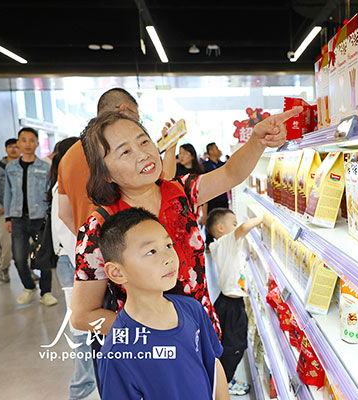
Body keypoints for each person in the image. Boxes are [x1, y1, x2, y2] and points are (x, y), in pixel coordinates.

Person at [70, 107, 299, 338]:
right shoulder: (99, 228)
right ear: (105, 173)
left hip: (203, 335)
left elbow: (230, 174)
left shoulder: (182, 192)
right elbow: (82, 315)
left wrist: (257, 141)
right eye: (125, 152)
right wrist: (146, 333)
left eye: (144, 142)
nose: (143, 154)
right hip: (153, 350)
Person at [96, 207, 229, 400]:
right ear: (117, 272)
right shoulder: (118, 353)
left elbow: (214, 365)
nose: (169, 258)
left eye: (168, 245)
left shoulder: (192, 309)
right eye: (151, 251)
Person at [57, 87, 177, 235]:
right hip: (135, 238)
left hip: (96, 241)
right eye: (137, 117)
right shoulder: (110, 152)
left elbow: (64, 213)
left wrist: (88, 239)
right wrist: (171, 147)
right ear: (123, 110)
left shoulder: (67, 157)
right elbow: (165, 183)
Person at [49, 137, 97, 399]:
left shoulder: (65, 184)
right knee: (81, 330)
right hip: (73, 261)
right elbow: (66, 232)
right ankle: (81, 387)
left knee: (85, 328)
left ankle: (86, 383)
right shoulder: (64, 186)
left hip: (74, 261)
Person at [206, 208, 263, 396]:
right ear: (220, 228)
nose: (237, 226)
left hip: (226, 302)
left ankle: (222, 376)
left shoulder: (221, 246)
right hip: (231, 306)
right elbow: (244, 228)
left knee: (227, 344)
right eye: (233, 223)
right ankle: (226, 380)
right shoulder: (226, 242)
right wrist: (264, 218)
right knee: (235, 346)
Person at [4, 127, 57, 306]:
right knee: (19, 259)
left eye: (31, 140)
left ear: (37, 143)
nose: (27, 144)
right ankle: (29, 287)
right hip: (18, 218)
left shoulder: (45, 167)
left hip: (40, 218)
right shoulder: (11, 167)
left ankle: (46, 292)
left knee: (43, 256)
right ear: (18, 143)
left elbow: (50, 193)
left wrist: (50, 216)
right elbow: (8, 193)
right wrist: (8, 217)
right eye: (24, 140)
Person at [0, 138, 20, 282]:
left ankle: (28, 271)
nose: (14, 149)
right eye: (11, 147)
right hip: (5, 212)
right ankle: (4, 268)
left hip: (23, 212)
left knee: (27, 244)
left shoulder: (24, 166)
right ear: (6, 149)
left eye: (17, 147)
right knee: (7, 243)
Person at [176, 144, 208, 226]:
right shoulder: (176, 170)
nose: (181, 156)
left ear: (192, 156)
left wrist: (204, 214)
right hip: (179, 208)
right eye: (180, 153)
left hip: (195, 208)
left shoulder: (199, 172)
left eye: (185, 153)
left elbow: (204, 194)